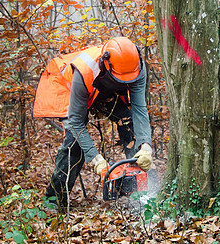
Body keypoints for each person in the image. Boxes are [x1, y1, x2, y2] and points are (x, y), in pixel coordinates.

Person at [33, 37, 153, 210]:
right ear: (106, 63)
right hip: (69, 88)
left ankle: (136, 189)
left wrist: (146, 146)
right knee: (75, 142)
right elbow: (76, 121)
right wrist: (96, 159)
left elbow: (139, 109)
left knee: (129, 122)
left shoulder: (135, 66)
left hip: (103, 91)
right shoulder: (84, 70)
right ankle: (54, 198)